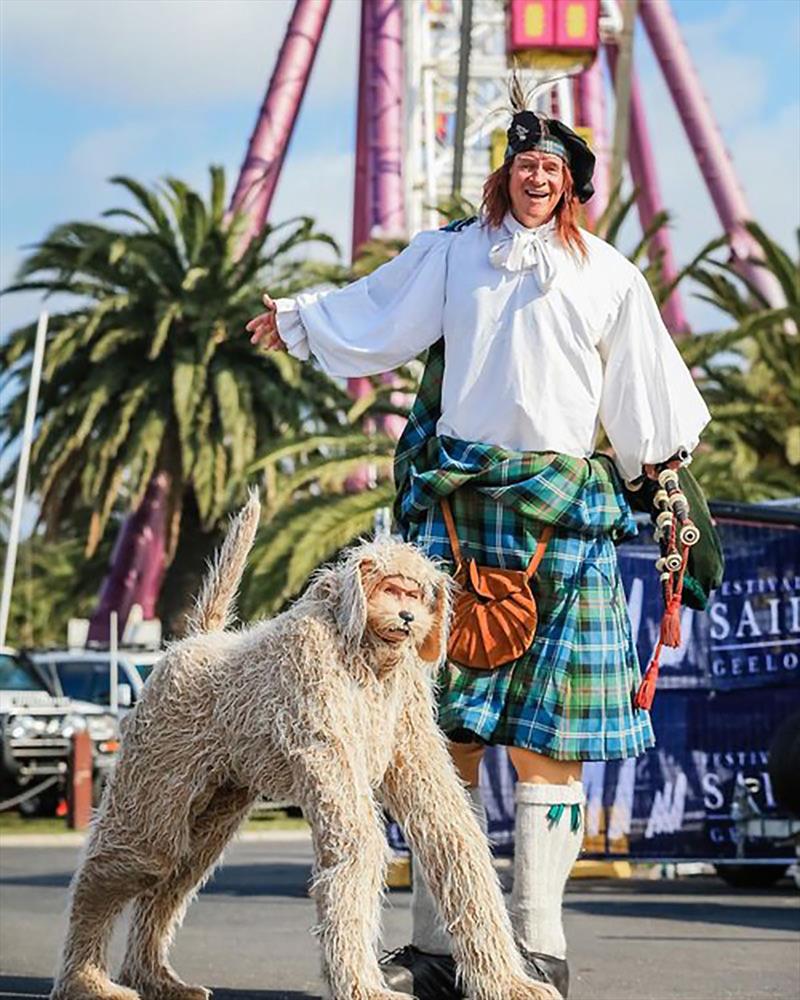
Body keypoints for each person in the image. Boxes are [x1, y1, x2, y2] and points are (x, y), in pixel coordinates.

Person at [246, 94, 710, 1000]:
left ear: (573, 187)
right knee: (437, 741)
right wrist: (300, 318)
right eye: (525, 166)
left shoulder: (612, 277)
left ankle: (536, 945)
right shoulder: (455, 250)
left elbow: (647, 406)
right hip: (455, 517)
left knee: (549, 745)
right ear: (507, 175)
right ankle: (437, 950)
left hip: (568, 520)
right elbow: (379, 309)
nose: (538, 179)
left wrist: (665, 486)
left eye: (554, 171)